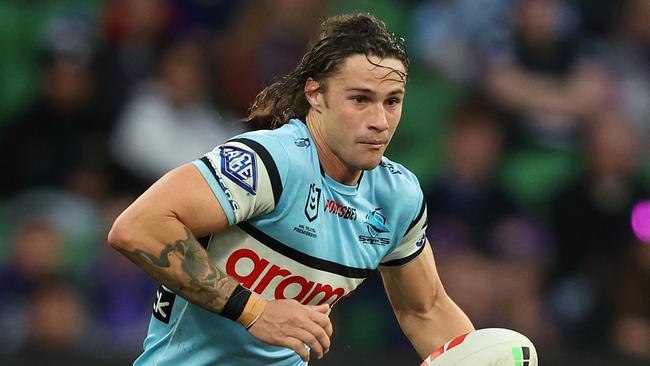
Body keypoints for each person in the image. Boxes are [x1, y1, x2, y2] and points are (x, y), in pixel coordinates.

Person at [108, 13, 474, 365]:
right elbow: (138, 228)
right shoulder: (270, 162)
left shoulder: (397, 196)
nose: (379, 122)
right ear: (315, 93)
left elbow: (424, 310)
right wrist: (255, 312)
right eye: (360, 100)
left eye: (392, 101)